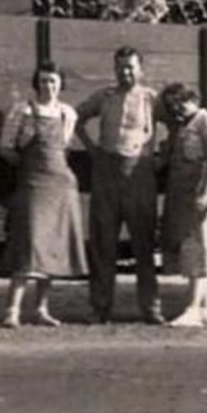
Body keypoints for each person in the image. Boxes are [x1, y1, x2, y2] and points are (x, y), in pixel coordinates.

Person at [75, 46, 164, 324]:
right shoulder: (105, 96)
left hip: (139, 172)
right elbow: (76, 117)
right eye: (120, 67)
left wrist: (163, 156)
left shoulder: (152, 99)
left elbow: (178, 124)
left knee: (144, 244)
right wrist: (92, 149)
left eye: (131, 67)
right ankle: (100, 307)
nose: (125, 72)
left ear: (141, 69)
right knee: (103, 243)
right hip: (107, 172)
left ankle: (151, 308)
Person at [0, 61, 88, 328]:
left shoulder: (67, 114)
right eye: (44, 81)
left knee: (51, 248)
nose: (48, 86)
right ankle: (12, 310)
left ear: (60, 85)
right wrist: (29, 166)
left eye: (53, 82)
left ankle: (41, 309)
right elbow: (5, 148)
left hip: (61, 186)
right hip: (33, 184)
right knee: (28, 245)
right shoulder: (22, 110)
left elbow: (65, 147)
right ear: (36, 84)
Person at [159, 82, 207, 328]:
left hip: (200, 191)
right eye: (172, 106)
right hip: (185, 193)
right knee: (198, 248)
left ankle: (192, 308)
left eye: (180, 103)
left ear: (192, 100)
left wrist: (206, 193)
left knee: (198, 249)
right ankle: (205, 307)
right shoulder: (185, 125)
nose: (176, 109)